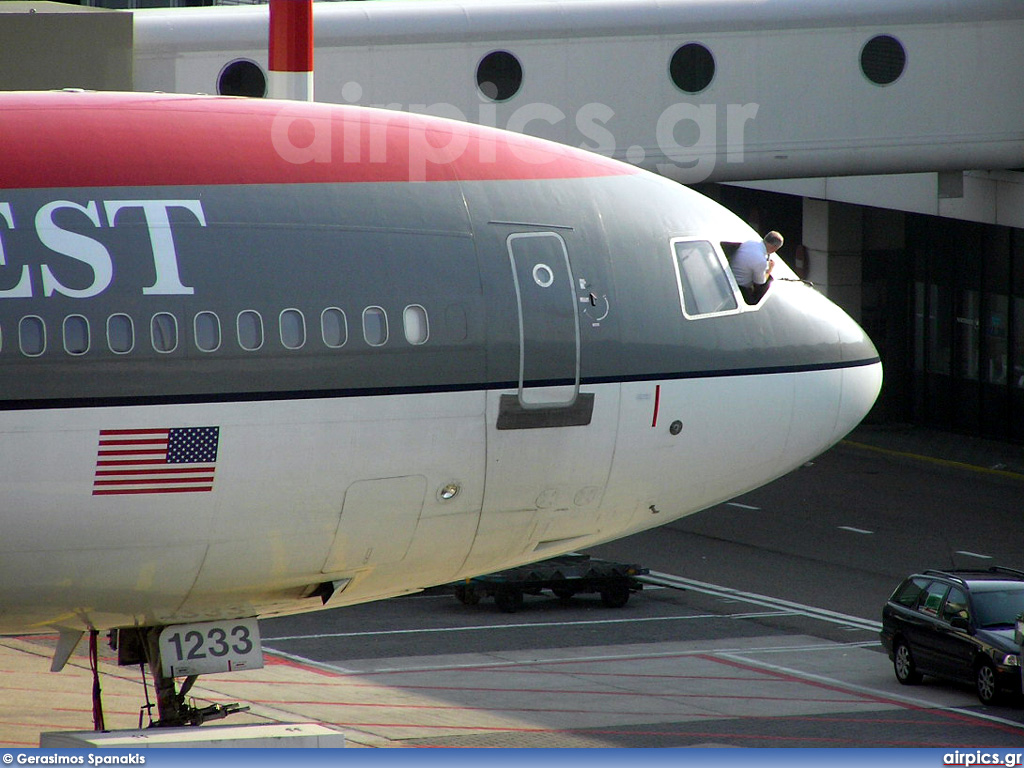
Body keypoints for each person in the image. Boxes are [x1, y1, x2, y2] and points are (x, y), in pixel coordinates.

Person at [731, 230, 783, 304]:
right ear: (774, 248)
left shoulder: (749, 243)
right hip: (739, 288)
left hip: (728, 277)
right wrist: (769, 270)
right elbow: (760, 282)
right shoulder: (761, 260)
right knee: (768, 282)